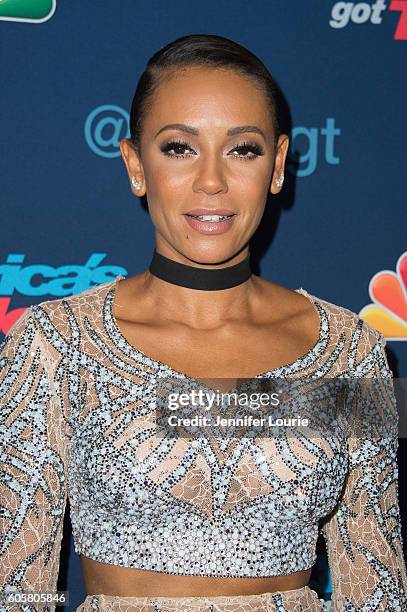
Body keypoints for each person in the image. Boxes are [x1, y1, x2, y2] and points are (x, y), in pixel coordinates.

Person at [1, 33, 406, 612]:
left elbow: (378, 583)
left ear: (278, 165)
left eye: (242, 149)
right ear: (136, 165)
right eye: (179, 148)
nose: (212, 180)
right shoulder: (54, 344)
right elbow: (14, 586)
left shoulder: (349, 351)